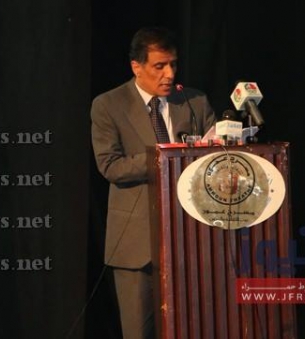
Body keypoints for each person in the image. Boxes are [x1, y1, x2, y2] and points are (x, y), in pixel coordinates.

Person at [90, 27, 216, 339]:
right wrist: (166, 157)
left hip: (192, 239)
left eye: (173, 64)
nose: (169, 74)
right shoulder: (108, 105)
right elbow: (110, 166)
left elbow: (214, 158)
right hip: (136, 244)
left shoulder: (194, 101)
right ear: (137, 66)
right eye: (160, 66)